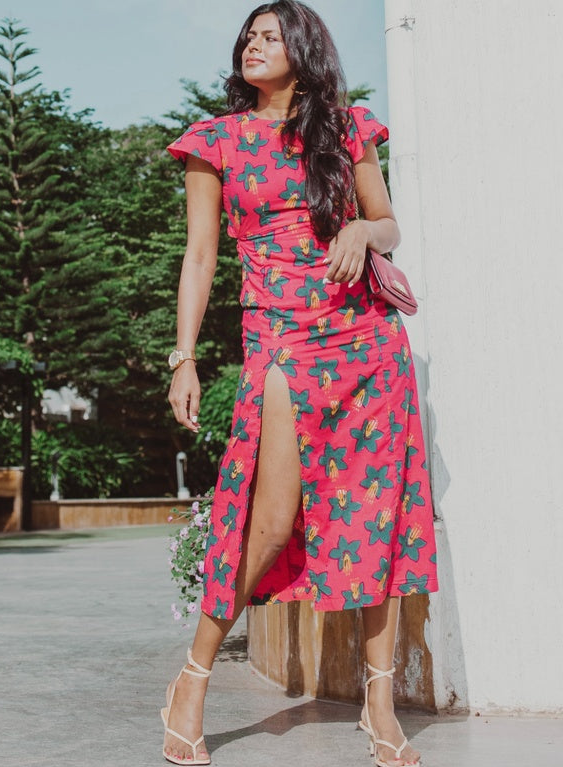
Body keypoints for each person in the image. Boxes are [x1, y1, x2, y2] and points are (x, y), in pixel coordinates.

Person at [163, 2, 438, 765]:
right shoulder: (215, 141)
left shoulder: (346, 128)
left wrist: (360, 228)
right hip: (281, 339)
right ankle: (191, 679)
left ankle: (379, 705)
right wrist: (183, 357)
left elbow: (388, 224)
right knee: (270, 521)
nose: (253, 44)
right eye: (248, 36)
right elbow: (199, 255)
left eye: (270, 35)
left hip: (366, 342)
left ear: (304, 49)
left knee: (375, 520)